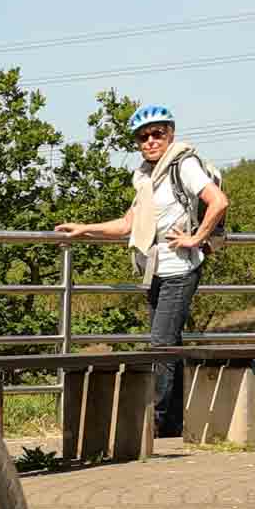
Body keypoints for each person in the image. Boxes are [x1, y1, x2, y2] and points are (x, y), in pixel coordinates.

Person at [54, 104, 227, 439]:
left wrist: (196, 239)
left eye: (157, 133)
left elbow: (218, 201)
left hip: (180, 268)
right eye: (143, 137)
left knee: (160, 344)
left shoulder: (183, 164)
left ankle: (155, 421)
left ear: (170, 133)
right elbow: (127, 225)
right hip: (156, 269)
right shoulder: (147, 176)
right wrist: (84, 229)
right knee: (170, 344)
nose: (150, 141)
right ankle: (173, 424)